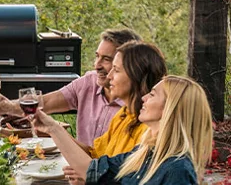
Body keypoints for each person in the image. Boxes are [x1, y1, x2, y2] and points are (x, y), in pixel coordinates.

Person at [34, 75, 214, 184]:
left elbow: (90, 170)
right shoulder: (146, 153)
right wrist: (52, 128)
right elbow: (92, 170)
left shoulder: (177, 170)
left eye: (152, 94)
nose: (144, 98)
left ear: (171, 109)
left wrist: (53, 128)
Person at [0, 29, 142, 149]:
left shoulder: (140, 107)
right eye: (97, 57)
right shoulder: (88, 82)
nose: (97, 65)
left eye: (106, 59)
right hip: (79, 168)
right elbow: (44, 103)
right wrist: (9, 106)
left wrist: (53, 129)